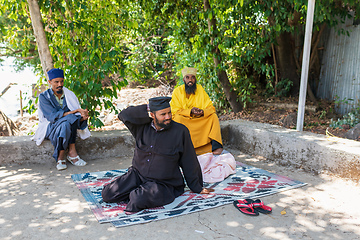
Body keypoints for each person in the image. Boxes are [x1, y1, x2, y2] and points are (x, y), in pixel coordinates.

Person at [101, 97, 213, 214]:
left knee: (137, 199)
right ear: (152, 115)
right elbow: (124, 115)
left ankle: (136, 193)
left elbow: (189, 161)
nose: (168, 117)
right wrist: (150, 107)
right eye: (163, 114)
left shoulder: (180, 131)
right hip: (137, 176)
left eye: (169, 112)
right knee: (108, 194)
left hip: (163, 183)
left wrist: (197, 187)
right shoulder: (140, 127)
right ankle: (135, 190)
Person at [32, 68, 91, 171]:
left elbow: (73, 115)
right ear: (50, 82)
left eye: (62, 81)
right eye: (56, 82)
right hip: (50, 126)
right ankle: (72, 153)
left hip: (67, 126)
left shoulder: (69, 95)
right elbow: (52, 117)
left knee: (66, 124)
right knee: (70, 120)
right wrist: (75, 112)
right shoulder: (43, 97)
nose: (60, 84)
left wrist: (82, 117)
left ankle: (60, 157)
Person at [170, 67, 223, 155]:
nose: (190, 80)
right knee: (177, 119)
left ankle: (216, 146)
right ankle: (182, 148)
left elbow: (210, 107)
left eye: (192, 77)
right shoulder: (177, 91)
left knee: (213, 116)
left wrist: (202, 112)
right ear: (183, 79)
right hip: (185, 118)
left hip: (199, 118)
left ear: (195, 79)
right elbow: (174, 110)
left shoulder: (200, 89)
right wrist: (190, 112)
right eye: (187, 77)